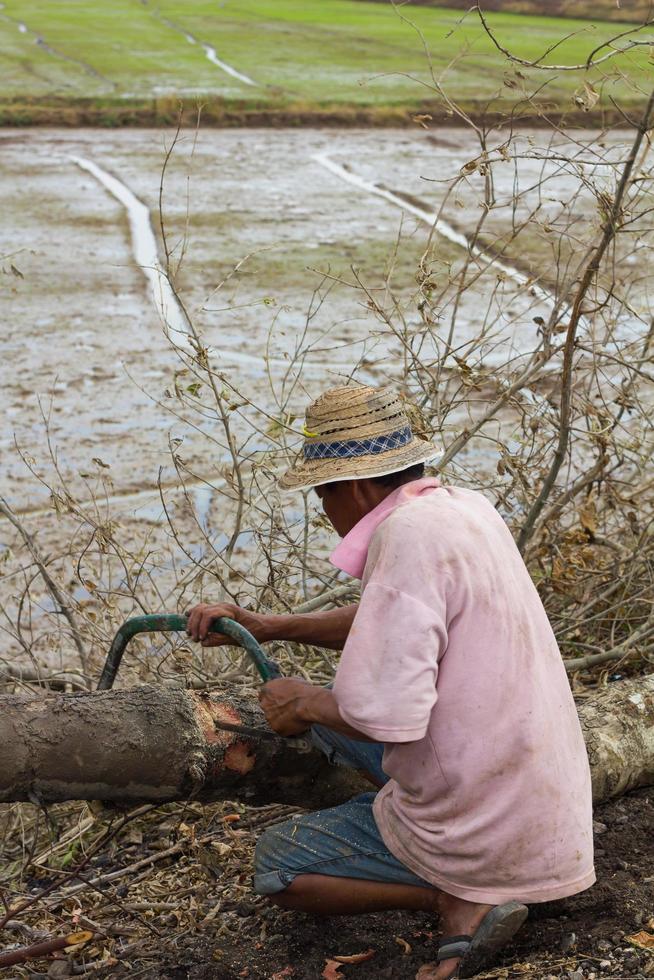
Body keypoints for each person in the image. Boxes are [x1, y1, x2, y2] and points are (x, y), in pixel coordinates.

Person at [187, 384, 594, 980]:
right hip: (539, 796)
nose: (325, 510)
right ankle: (412, 834)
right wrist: (272, 627)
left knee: (277, 866)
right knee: (332, 726)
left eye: (323, 494)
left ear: (349, 488)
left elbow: (386, 716)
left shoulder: (405, 537)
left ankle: (454, 897)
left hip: (487, 828)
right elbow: (394, 617)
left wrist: (303, 701)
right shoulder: (462, 508)